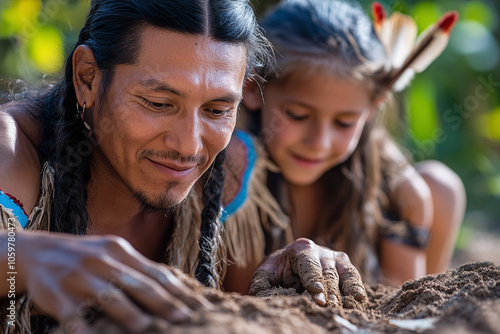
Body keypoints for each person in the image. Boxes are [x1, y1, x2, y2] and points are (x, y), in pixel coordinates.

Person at [0, 0, 368, 332]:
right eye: (159, 104)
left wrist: (283, 272)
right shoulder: (13, 151)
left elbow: (238, 307)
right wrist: (29, 256)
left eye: (217, 110)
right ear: (87, 79)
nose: (190, 146)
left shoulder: (230, 175)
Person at [223, 0, 466, 293]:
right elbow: (241, 297)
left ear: (372, 109)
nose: (319, 142)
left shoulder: (396, 189)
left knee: (440, 185)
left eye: (345, 123)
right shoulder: (234, 167)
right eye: (297, 115)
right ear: (252, 88)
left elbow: (402, 304)